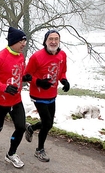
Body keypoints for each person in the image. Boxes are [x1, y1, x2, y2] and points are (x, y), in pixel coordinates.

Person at [0, 27, 27, 168]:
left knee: (21, 127)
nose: (24, 44)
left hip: (16, 100)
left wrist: (26, 77)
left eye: (25, 41)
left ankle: (11, 154)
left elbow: (19, 73)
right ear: (13, 41)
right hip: (0, 101)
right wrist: (4, 87)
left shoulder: (20, 56)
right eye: (22, 41)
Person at [23, 29, 70, 162]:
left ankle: (31, 128)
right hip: (38, 94)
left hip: (52, 94)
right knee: (47, 122)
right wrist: (38, 82)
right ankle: (39, 150)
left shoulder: (62, 55)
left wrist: (64, 80)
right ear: (45, 41)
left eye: (56, 39)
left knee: (48, 124)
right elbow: (26, 76)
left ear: (59, 41)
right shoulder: (36, 56)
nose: (53, 42)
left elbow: (62, 72)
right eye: (51, 39)